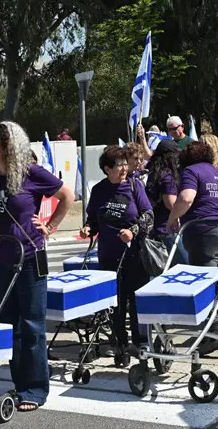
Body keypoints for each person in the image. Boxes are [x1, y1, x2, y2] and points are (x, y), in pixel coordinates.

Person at [0, 121, 74, 411]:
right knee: (7, 323)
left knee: (31, 325)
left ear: (8, 147)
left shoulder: (32, 174)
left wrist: (51, 225)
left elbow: (68, 195)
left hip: (29, 259)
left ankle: (35, 388)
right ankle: (20, 382)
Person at [80, 146, 153, 355]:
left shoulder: (134, 185)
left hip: (134, 253)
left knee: (136, 299)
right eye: (119, 165)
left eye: (124, 164)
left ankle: (142, 341)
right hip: (109, 254)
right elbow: (93, 219)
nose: (123, 168)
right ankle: (120, 341)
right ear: (107, 169)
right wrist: (88, 229)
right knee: (115, 301)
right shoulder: (99, 190)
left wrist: (133, 230)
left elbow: (148, 215)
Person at [167, 142, 218, 355]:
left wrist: (173, 218)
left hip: (204, 231)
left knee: (205, 282)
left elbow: (186, 197)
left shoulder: (191, 171)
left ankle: (215, 334)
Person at [144, 139, 188, 264]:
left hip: (155, 228)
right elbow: (170, 203)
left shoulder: (153, 172)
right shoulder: (168, 175)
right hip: (168, 229)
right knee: (184, 266)